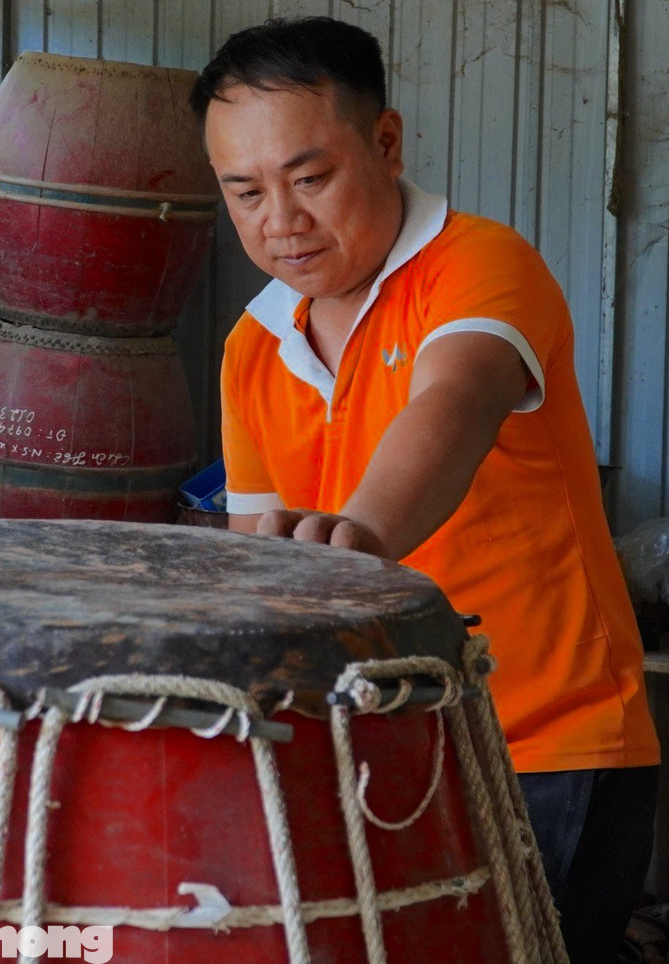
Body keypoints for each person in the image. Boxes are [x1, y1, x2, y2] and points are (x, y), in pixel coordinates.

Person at [192, 16, 659, 963]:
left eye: (309, 177)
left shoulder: (479, 267)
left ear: (387, 141)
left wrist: (361, 542)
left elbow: (456, 399)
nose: (280, 220)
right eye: (245, 192)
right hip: (369, 755)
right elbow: (252, 557)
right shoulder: (253, 348)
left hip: (542, 743)